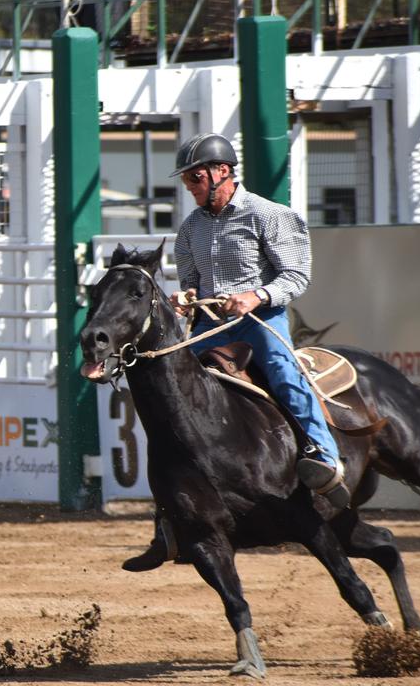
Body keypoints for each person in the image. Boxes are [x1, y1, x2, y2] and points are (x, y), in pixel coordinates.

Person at [123, 132, 349, 573]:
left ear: (222, 172)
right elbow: (190, 279)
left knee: (283, 371)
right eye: (187, 178)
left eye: (194, 176)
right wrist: (186, 296)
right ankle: (168, 520)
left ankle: (325, 457)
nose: (189, 184)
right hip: (210, 325)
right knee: (169, 393)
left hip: (261, 321)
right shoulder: (190, 228)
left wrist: (257, 295)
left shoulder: (270, 215)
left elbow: (296, 276)